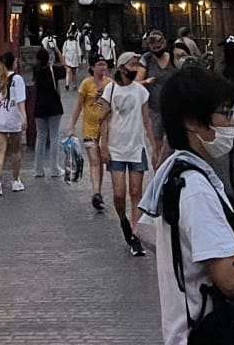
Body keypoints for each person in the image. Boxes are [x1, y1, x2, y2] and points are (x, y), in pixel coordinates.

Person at [140, 67, 234, 345]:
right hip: (203, 332)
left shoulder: (180, 174)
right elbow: (229, 279)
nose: (229, 124)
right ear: (192, 122)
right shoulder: (195, 190)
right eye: (224, 114)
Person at [99, 51, 155, 256]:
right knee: (119, 193)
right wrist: (103, 145)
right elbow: (103, 118)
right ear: (122, 67)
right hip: (116, 147)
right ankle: (123, 219)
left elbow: (146, 119)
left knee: (135, 192)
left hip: (136, 146)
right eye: (132, 65)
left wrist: (153, 147)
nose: (135, 69)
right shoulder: (110, 90)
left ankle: (136, 235)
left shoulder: (140, 91)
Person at [67, 54, 111, 212]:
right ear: (92, 67)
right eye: (99, 64)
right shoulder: (86, 84)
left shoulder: (110, 84)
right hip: (89, 129)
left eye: (104, 64)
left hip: (105, 131)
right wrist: (71, 126)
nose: (102, 67)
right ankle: (96, 193)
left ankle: (98, 193)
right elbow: (78, 106)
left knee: (100, 160)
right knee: (94, 160)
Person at [0, 51, 27, 195]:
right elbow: (20, 100)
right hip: (14, 118)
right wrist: (24, 117)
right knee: (15, 151)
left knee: (0, 151)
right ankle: (16, 181)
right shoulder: (19, 80)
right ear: (13, 64)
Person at [141, 29, 180, 163]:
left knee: (173, 142)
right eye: (153, 47)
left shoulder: (173, 58)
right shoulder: (146, 59)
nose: (156, 49)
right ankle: (158, 172)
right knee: (157, 145)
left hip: (173, 107)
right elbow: (136, 83)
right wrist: (145, 82)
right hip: (154, 108)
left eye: (159, 46)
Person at [32, 46, 65, 177]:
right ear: (48, 58)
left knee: (40, 137)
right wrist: (57, 50)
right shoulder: (53, 70)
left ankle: (38, 169)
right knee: (54, 137)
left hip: (39, 107)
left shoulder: (36, 71)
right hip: (54, 106)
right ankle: (54, 169)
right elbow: (64, 65)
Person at [62, 23, 83, 89]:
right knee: (68, 71)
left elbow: (79, 52)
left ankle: (74, 84)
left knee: (74, 73)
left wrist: (79, 61)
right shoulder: (66, 43)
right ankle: (67, 84)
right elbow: (64, 53)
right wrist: (63, 61)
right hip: (68, 60)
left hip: (74, 61)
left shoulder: (76, 43)